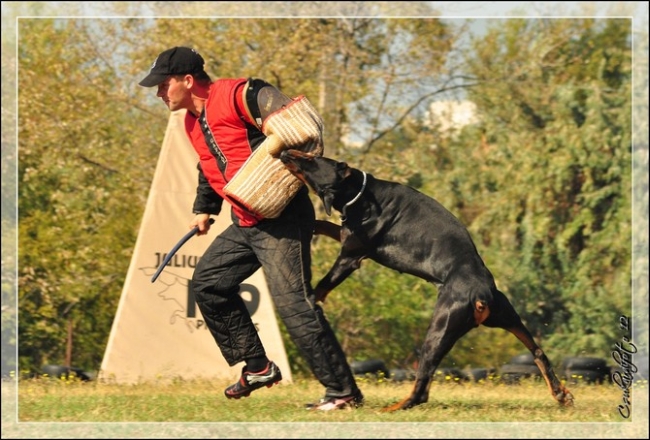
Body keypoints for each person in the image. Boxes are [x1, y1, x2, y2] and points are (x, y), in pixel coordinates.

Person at [139, 46, 363, 411]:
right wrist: (205, 208)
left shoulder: (236, 94)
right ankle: (258, 367)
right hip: (245, 221)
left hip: (283, 219)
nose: (159, 93)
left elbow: (291, 118)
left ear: (188, 80)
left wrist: (278, 122)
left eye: (163, 85)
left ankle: (343, 393)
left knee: (295, 306)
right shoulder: (191, 122)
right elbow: (208, 164)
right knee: (209, 285)